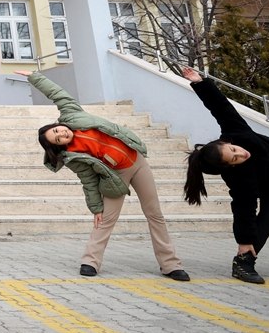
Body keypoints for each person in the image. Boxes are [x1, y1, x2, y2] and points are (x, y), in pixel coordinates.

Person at [20, 69, 189, 281]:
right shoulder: (72, 156)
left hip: (138, 162)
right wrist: (95, 207)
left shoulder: (72, 114)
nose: (62, 135)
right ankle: (90, 261)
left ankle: (171, 265)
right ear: (58, 147)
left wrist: (34, 77)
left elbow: (58, 94)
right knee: (105, 219)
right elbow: (88, 181)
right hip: (116, 177)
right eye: (57, 140)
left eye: (57, 131)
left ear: (59, 125)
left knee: (154, 214)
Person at [181, 66, 269, 284]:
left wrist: (200, 83)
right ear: (230, 167)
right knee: (266, 224)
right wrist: (244, 240)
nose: (242, 155)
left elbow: (221, 107)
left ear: (228, 142)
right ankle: (243, 264)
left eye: (234, 150)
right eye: (234, 159)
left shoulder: (237, 132)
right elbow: (243, 208)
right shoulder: (239, 177)